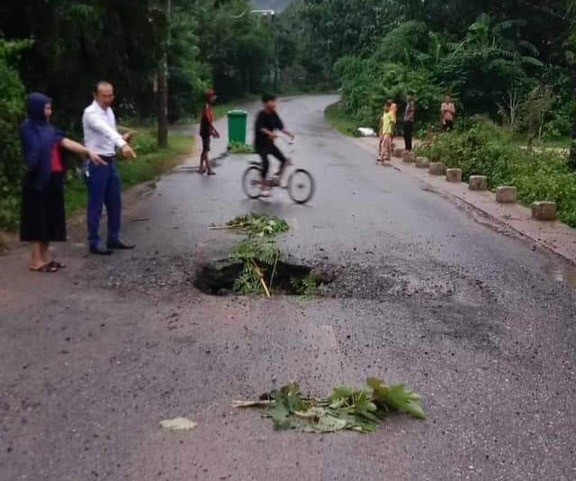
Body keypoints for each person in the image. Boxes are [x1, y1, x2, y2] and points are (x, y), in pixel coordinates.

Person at [20, 92, 103, 272]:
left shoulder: (49, 128)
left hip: (53, 177)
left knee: (50, 217)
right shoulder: (28, 127)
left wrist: (88, 152)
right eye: (46, 108)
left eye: (49, 107)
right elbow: (33, 153)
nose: (49, 111)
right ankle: (35, 261)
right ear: (36, 109)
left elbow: (65, 142)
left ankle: (46, 257)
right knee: (37, 219)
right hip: (37, 179)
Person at [82, 81, 137, 255]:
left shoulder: (109, 111)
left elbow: (110, 135)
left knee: (115, 202)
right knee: (96, 203)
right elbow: (105, 130)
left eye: (110, 95)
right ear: (95, 95)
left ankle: (113, 237)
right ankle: (94, 241)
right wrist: (122, 144)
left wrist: (122, 139)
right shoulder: (91, 113)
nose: (108, 99)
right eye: (104, 96)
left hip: (110, 161)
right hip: (97, 162)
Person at [254, 94, 295, 195]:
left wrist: (289, 134)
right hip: (260, 144)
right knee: (267, 163)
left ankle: (276, 179)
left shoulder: (274, 114)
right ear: (266, 103)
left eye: (275, 101)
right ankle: (263, 186)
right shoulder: (261, 114)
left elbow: (281, 127)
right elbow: (260, 127)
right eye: (272, 101)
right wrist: (270, 133)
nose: (274, 103)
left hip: (270, 144)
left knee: (284, 160)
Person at [199, 89, 220, 175]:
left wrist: (212, 131)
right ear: (209, 97)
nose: (215, 98)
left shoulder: (209, 106)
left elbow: (209, 121)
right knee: (206, 150)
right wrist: (214, 130)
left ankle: (201, 168)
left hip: (206, 130)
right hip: (205, 131)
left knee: (205, 149)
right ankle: (209, 169)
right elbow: (207, 120)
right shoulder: (206, 106)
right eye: (213, 96)